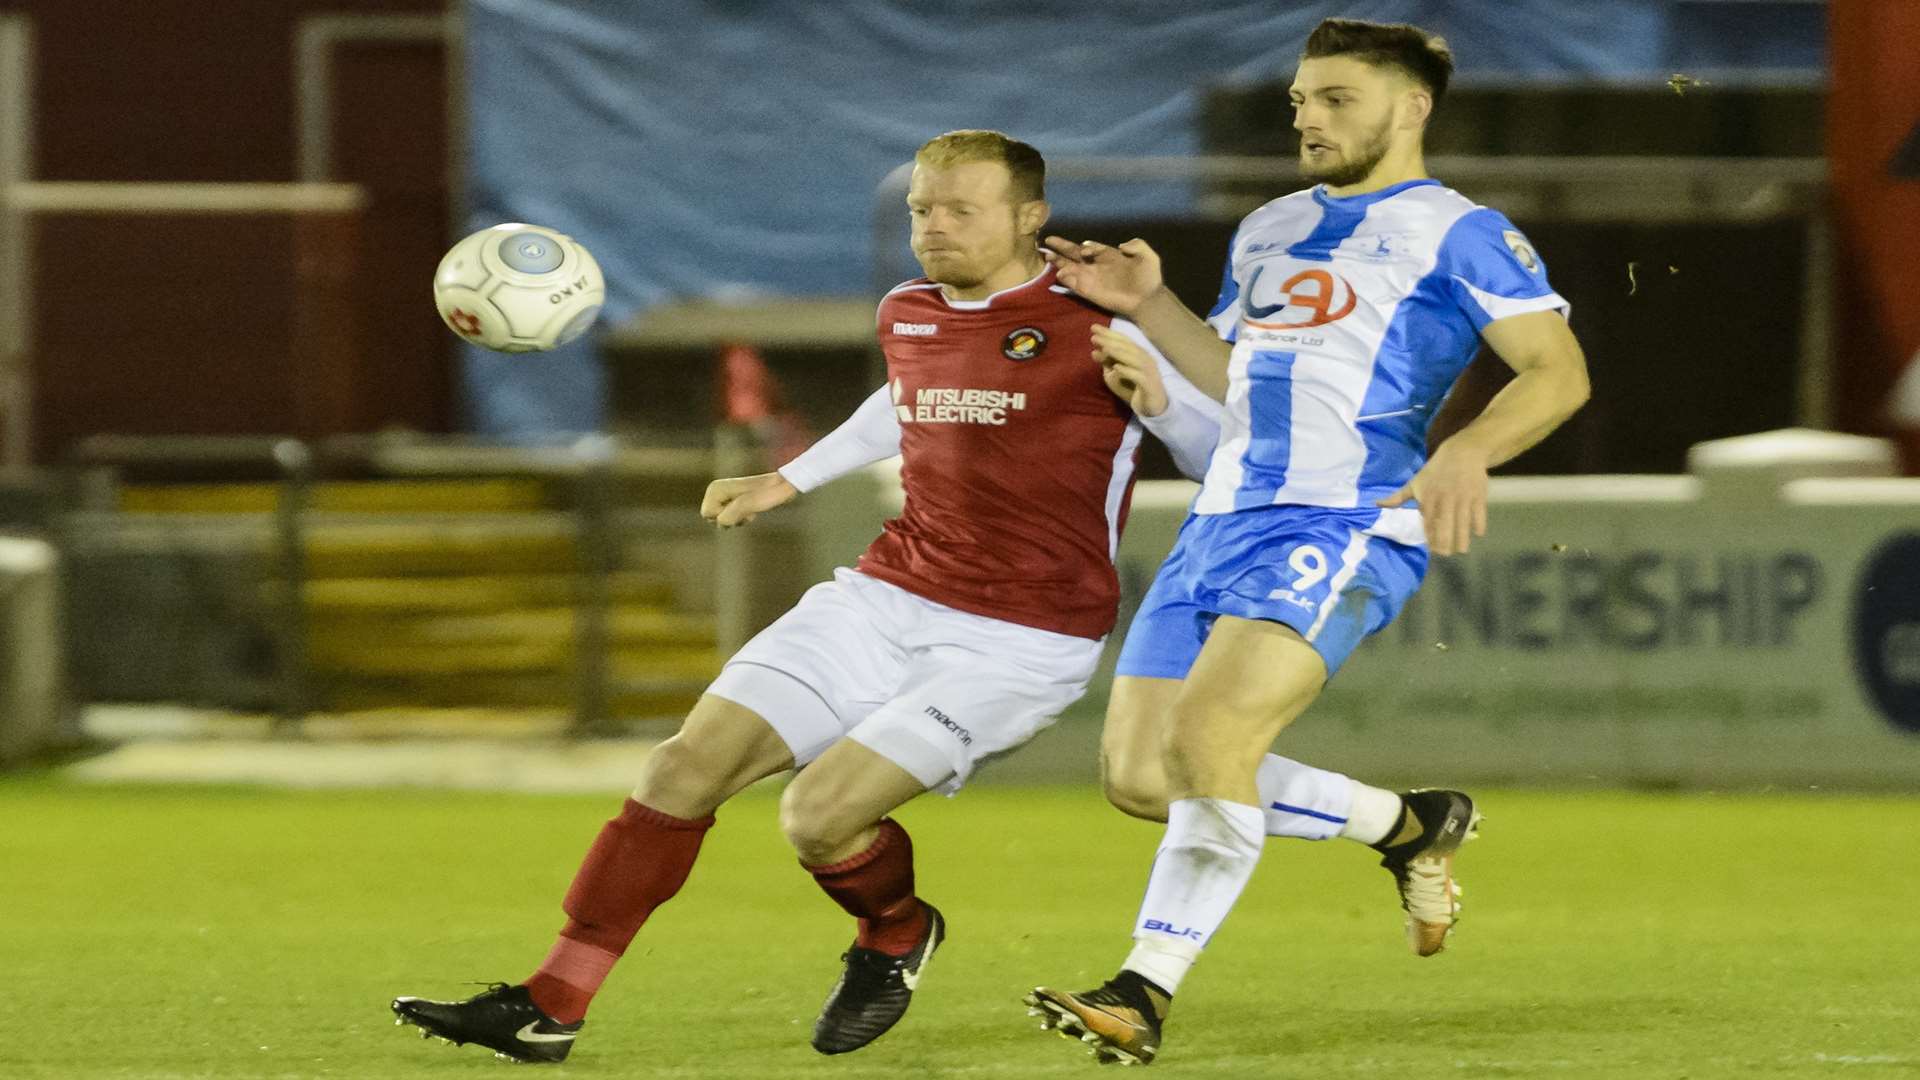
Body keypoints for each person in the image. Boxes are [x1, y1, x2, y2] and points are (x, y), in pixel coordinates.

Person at [388, 129, 1222, 1065]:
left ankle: (896, 932)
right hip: (885, 593)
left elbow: (1225, 448)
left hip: (1019, 639)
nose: (933, 229)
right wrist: (789, 479)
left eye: (961, 210)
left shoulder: (1098, 312)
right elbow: (907, 399)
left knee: (820, 819)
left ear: (1032, 217)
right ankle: (550, 1004)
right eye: (920, 210)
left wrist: (1160, 404)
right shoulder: (907, 308)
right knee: (677, 773)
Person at [1023, 18, 1592, 1066]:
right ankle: (1407, 824)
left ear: (1412, 106)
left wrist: (1467, 453)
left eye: (1336, 98)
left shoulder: (1459, 232)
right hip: (1224, 518)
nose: (1308, 118)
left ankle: (1141, 991)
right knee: (1144, 777)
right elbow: (1235, 375)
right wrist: (1151, 307)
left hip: (1348, 517)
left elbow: (1557, 372)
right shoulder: (1273, 227)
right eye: (1299, 100)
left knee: (1207, 743)